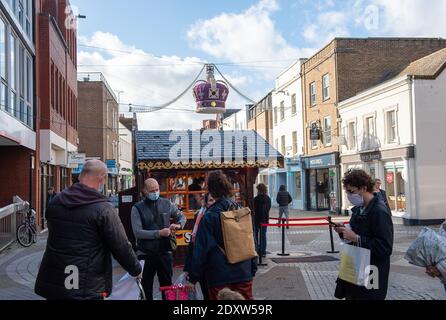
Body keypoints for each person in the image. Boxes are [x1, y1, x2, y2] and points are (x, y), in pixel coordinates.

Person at [34, 160, 142, 300]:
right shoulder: (103, 209)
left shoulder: (56, 201)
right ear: (102, 179)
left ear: (80, 176)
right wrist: (136, 270)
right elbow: (121, 246)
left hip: (55, 278)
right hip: (85, 284)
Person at [186, 170, 257, 300]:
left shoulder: (209, 217)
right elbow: (251, 240)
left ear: (211, 189)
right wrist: (252, 267)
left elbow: (201, 249)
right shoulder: (240, 211)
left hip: (218, 273)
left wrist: (193, 277)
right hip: (243, 270)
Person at [333, 169, 394, 300]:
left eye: (351, 191)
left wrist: (356, 238)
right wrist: (344, 232)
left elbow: (385, 248)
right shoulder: (359, 209)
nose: (349, 196)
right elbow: (354, 234)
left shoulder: (379, 211)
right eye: (347, 191)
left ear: (364, 188)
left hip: (372, 273)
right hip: (355, 271)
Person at [131, 178, 186, 300]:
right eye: (152, 190)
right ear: (145, 191)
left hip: (164, 252)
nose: (155, 192)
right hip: (145, 253)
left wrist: (178, 225)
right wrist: (158, 233)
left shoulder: (166, 203)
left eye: (157, 189)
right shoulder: (137, 208)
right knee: (146, 288)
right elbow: (137, 232)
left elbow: (182, 216)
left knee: (167, 287)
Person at [183, 193, 215, 300]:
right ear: (205, 203)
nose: (213, 203)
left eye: (215, 200)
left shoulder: (217, 216)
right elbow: (194, 245)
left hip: (214, 267)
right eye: (210, 200)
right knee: (206, 294)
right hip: (202, 268)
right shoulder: (200, 216)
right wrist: (188, 268)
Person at [253, 183, 271, 257]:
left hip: (257, 219)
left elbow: (254, 209)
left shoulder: (256, 199)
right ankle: (263, 251)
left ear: (259, 190)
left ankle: (256, 250)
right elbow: (269, 208)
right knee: (263, 236)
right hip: (265, 219)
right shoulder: (268, 198)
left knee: (256, 235)